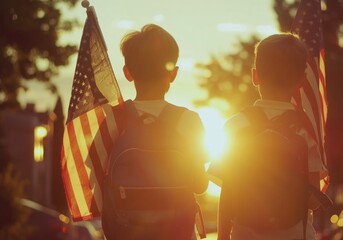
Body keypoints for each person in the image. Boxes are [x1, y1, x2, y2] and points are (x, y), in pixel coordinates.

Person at [212, 33, 328, 240]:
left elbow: (228, 192)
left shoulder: (236, 125)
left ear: (255, 76)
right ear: (302, 81)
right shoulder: (306, 130)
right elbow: (313, 201)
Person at [102, 24, 208, 240]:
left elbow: (98, 180)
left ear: (127, 73)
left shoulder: (113, 119)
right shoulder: (189, 121)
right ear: (173, 74)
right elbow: (200, 184)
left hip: (125, 232)